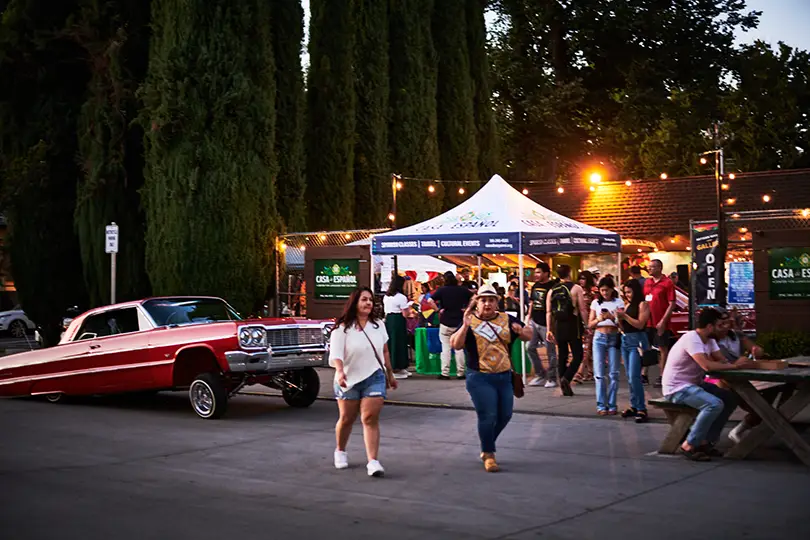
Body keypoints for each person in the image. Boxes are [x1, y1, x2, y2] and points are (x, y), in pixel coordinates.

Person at [450, 285, 532, 472]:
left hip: (504, 376)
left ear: (497, 302)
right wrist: (464, 325)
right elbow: (455, 345)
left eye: (491, 300)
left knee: (505, 415)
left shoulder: (507, 319)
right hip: (479, 377)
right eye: (483, 300)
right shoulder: (470, 321)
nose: (487, 304)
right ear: (476, 302)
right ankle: (489, 453)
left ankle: (487, 442)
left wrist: (520, 331)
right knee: (488, 415)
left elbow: (529, 335)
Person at [662, 308, 753, 461]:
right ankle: (690, 444)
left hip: (694, 384)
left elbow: (721, 361)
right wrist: (735, 366)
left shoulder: (710, 340)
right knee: (714, 404)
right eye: (721, 325)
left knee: (730, 398)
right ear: (710, 327)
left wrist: (737, 362)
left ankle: (706, 441)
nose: (725, 328)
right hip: (677, 388)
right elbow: (707, 366)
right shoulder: (692, 338)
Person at [329, 287, 399, 477]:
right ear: (355, 303)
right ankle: (340, 450)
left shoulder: (378, 325)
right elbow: (336, 354)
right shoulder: (342, 328)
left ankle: (373, 461)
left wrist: (390, 374)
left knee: (369, 418)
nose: (368, 303)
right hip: (348, 378)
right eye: (364, 300)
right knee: (347, 418)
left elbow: (384, 351)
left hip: (374, 376)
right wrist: (340, 372)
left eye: (370, 300)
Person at [545, 264, 585, 397]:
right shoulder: (576, 288)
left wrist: (549, 330)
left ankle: (563, 382)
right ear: (569, 273)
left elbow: (549, 312)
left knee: (562, 355)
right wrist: (587, 324)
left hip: (558, 325)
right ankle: (566, 378)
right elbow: (582, 309)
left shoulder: (552, 290)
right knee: (578, 355)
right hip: (573, 324)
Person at [588, 276, 624, 415]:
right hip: (599, 336)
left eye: (607, 290)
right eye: (602, 290)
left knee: (614, 372)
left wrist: (613, 318)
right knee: (599, 373)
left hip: (614, 336)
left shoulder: (618, 302)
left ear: (612, 289)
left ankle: (612, 403)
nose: (604, 293)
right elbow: (590, 325)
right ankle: (601, 405)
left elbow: (622, 324)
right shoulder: (596, 303)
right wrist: (599, 318)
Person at [615, 278, 650, 423]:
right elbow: (625, 326)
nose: (627, 295)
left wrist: (625, 316)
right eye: (625, 293)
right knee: (629, 377)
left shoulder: (643, 304)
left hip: (637, 341)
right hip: (626, 339)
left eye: (629, 292)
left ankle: (641, 407)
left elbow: (640, 324)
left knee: (635, 376)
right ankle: (634, 405)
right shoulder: (627, 304)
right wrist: (619, 320)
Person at [429, 271, 473, 380]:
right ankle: (461, 372)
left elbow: (430, 300)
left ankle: (445, 372)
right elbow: (474, 297)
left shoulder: (442, 290)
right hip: (459, 322)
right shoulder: (462, 290)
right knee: (459, 348)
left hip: (445, 321)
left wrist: (437, 310)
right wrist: (468, 309)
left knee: (446, 348)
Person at [644, 259, 677, 388]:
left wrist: (663, 321)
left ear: (659, 268)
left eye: (652, 267)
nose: (649, 269)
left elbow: (672, 303)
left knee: (662, 348)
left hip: (661, 321)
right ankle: (644, 374)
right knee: (647, 347)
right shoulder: (647, 282)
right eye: (649, 267)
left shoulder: (667, 283)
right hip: (648, 321)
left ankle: (663, 375)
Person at [526, 262, 559, 388]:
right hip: (535, 321)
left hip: (547, 323)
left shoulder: (553, 286)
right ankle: (540, 374)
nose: (536, 275)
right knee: (530, 347)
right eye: (536, 272)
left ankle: (552, 377)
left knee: (550, 351)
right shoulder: (535, 286)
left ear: (546, 273)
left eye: (539, 272)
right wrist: (528, 317)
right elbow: (532, 302)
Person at [383, 275, 414, 379]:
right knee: (399, 343)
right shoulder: (401, 297)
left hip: (389, 319)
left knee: (391, 342)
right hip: (398, 319)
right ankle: (397, 366)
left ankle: (395, 366)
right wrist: (410, 305)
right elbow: (405, 314)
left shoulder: (386, 296)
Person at [573, 270, 596, 384]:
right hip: (578, 324)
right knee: (587, 349)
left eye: (584, 278)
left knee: (586, 349)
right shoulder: (577, 291)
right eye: (580, 278)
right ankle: (591, 372)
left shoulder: (593, 293)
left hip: (590, 323)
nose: (581, 281)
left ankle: (580, 373)